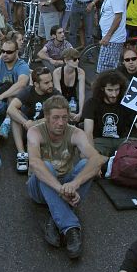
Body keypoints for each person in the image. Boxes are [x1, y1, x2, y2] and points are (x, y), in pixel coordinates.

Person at [27, 95, 107, 259]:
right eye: (55, 118)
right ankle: (71, 228)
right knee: (45, 166)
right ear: (47, 117)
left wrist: (76, 183)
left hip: (66, 184)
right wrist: (61, 190)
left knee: (87, 163)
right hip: (39, 187)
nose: (61, 123)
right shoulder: (35, 131)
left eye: (64, 117)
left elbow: (97, 159)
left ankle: (55, 215)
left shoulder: (75, 133)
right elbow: (34, 163)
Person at [83, 70, 137, 161]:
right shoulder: (92, 103)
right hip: (100, 141)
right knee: (84, 156)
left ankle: (113, 163)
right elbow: (88, 133)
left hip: (122, 141)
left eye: (117, 90)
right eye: (110, 90)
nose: (114, 94)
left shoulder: (127, 103)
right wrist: (94, 157)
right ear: (102, 89)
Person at [7, 66, 60, 172]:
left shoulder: (55, 94)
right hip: (27, 127)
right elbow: (10, 109)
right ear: (36, 84)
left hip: (44, 130)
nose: (51, 85)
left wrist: (36, 123)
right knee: (15, 115)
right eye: (46, 83)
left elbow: (59, 115)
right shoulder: (28, 91)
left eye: (51, 81)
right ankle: (21, 154)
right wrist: (25, 122)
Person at [95, 0, 128, 73]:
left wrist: (108, 35)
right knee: (107, 69)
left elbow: (118, 17)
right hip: (110, 38)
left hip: (112, 39)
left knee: (105, 71)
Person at [52, 48, 86, 121]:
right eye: (74, 59)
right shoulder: (57, 72)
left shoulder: (80, 72)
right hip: (59, 101)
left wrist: (80, 112)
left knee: (81, 117)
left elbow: (81, 94)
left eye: (78, 59)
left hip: (73, 101)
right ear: (66, 61)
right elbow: (59, 94)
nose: (77, 61)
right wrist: (68, 113)